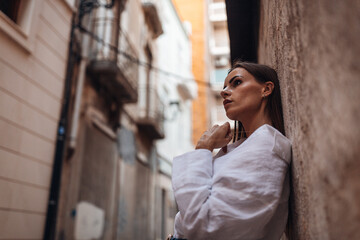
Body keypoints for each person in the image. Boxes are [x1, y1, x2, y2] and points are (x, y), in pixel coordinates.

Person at [168, 61, 292, 240]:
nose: (224, 91)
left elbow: (206, 225)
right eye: (225, 85)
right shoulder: (243, 146)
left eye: (237, 82)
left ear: (266, 89)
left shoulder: (266, 146)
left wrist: (203, 148)